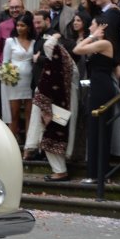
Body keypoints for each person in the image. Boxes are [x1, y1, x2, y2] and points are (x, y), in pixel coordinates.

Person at [24, 34, 77, 181]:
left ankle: (60, 171)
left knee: (52, 133)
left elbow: (49, 45)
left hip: (56, 108)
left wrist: (54, 36)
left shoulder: (59, 65)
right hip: (57, 106)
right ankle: (58, 168)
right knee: (51, 133)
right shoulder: (65, 64)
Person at [74, 20, 117, 184]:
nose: (89, 27)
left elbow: (77, 49)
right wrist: (92, 36)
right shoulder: (100, 44)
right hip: (96, 86)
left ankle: (99, 173)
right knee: (94, 129)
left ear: (101, 28)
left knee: (99, 128)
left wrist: (92, 36)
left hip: (102, 87)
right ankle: (94, 172)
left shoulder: (105, 43)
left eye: (92, 24)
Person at [0, 12, 35, 142]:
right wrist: (9, 79)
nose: (19, 28)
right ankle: (10, 144)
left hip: (30, 82)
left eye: (23, 25)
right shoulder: (10, 41)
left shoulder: (34, 42)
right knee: (14, 114)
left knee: (29, 114)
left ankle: (29, 145)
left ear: (29, 27)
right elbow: (5, 62)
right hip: (14, 83)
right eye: (18, 25)